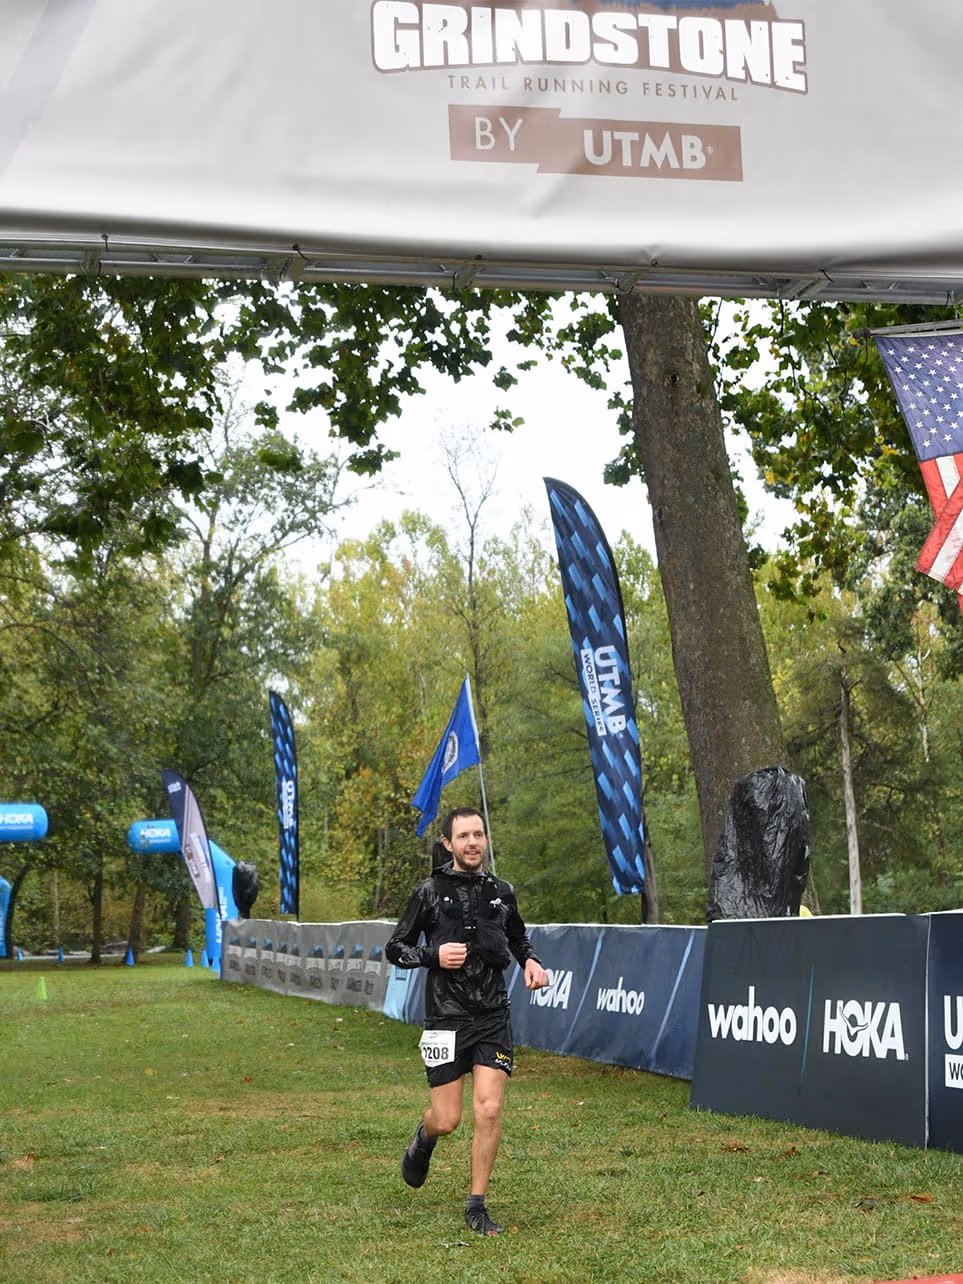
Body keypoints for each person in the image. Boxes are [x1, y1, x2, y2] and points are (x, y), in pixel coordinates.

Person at [386, 806, 548, 1236]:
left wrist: (531, 961)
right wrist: (432, 955)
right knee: (448, 1119)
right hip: (445, 1017)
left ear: (485, 839)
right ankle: (424, 1137)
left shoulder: (502, 891)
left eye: (478, 834)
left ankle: (477, 1206)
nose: (472, 842)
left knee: (490, 1108)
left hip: (492, 1015)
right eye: (463, 836)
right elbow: (395, 947)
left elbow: (518, 937)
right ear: (448, 843)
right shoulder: (429, 892)